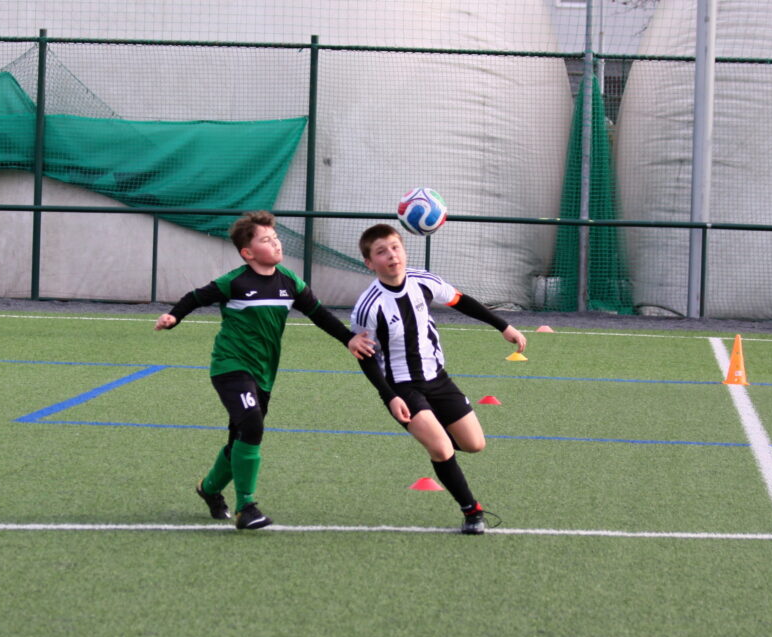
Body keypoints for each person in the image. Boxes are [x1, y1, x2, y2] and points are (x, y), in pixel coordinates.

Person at [155, 210, 374, 529]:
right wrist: (174, 317)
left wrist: (348, 339)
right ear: (248, 252)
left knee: (241, 436)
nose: (276, 243)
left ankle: (209, 489)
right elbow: (195, 297)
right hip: (230, 366)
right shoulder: (234, 282)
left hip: (264, 373)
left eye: (276, 238)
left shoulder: (290, 282)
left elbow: (319, 314)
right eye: (267, 240)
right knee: (252, 424)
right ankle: (246, 507)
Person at [350, 223, 527, 534]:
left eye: (395, 247)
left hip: (438, 379)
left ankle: (434, 434)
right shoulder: (368, 306)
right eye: (381, 252)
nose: (392, 255)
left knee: (474, 444)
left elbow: (461, 301)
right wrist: (389, 397)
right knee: (443, 450)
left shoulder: (424, 281)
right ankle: (472, 512)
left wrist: (503, 326)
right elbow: (366, 357)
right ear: (369, 263)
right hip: (402, 387)